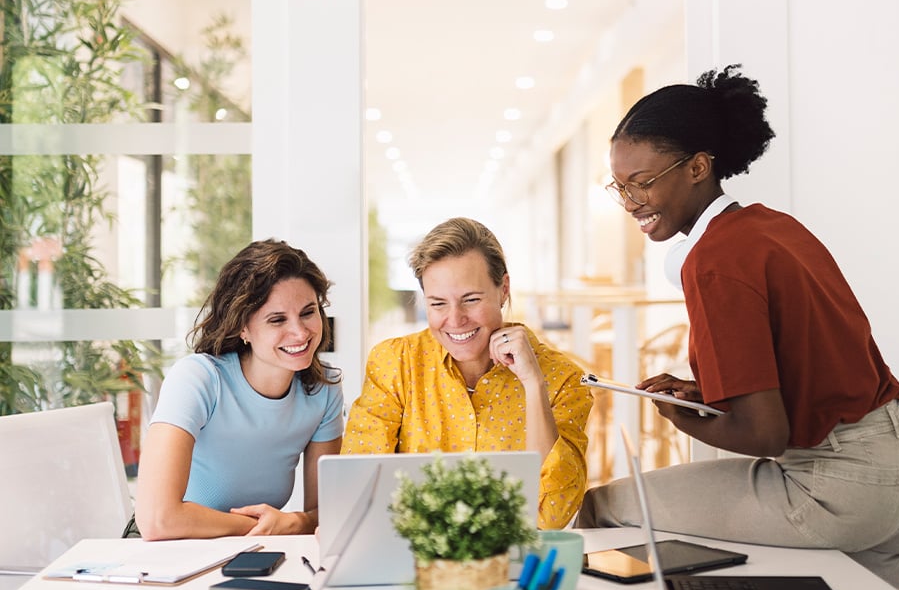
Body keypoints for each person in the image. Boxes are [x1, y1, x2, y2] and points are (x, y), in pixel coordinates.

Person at [577, 67, 899, 590]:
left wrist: (679, 416)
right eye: (620, 185)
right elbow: (806, 368)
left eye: (644, 182)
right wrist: (706, 396)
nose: (631, 202)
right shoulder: (772, 227)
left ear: (698, 167)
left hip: (837, 484)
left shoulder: (713, 262)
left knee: (602, 509)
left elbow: (765, 434)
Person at [343, 217, 592, 529]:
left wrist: (533, 385)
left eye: (471, 300)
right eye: (438, 304)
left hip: (515, 564)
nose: (455, 319)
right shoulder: (395, 362)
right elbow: (356, 489)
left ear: (503, 290)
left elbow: (554, 515)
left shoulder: (563, 380)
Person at [134, 239, 344, 539]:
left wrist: (292, 523)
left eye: (308, 312)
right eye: (277, 319)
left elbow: (327, 514)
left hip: (252, 552)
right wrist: (266, 527)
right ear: (242, 327)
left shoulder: (323, 391)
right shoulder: (198, 378)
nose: (300, 332)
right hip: (169, 549)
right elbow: (158, 520)